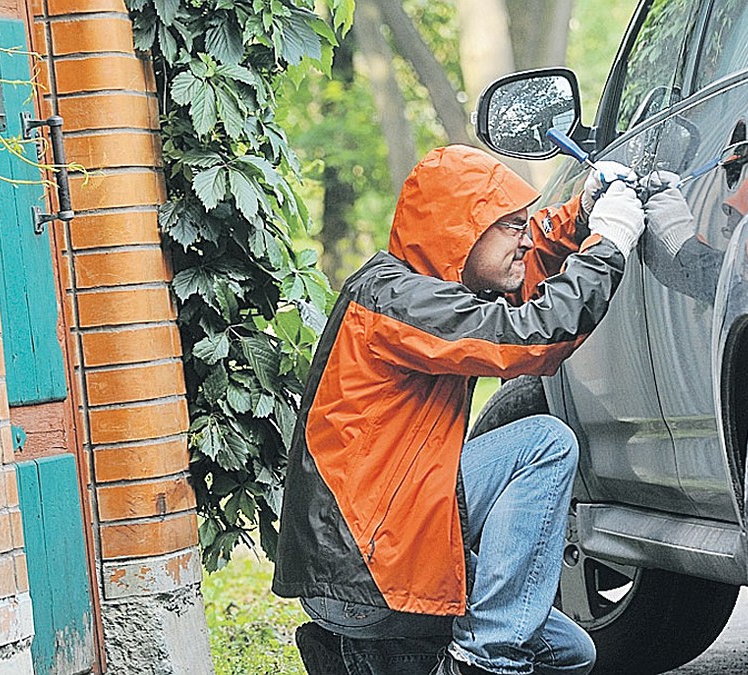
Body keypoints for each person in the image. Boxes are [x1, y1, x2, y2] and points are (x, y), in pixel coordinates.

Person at [273, 145, 696, 675]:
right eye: (509, 227)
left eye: (524, 225)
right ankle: (480, 661)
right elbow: (532, 335)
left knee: (572, 652)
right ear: (458, 234)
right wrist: (607, 245)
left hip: (394, 529)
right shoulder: (395, 303)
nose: (524, 238)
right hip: (365, 569)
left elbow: (519, 269)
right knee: (543, 443)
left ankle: (372, 659)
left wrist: (582, 214)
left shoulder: (426, 287)